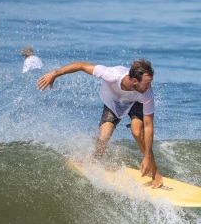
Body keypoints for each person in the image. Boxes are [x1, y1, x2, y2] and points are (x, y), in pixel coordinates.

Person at [37, 59, 163, 188]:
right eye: (147, 83)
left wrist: (147, 157)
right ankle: (93, 161)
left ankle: (155, 173)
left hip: (136, 102)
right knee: (103, 138)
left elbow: (148, 126)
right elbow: (81, 65)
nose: (150, 87)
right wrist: (54, 74)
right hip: (113, 104)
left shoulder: (146, 94)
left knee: (137, 131)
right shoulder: (112, 75)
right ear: (134, 81)